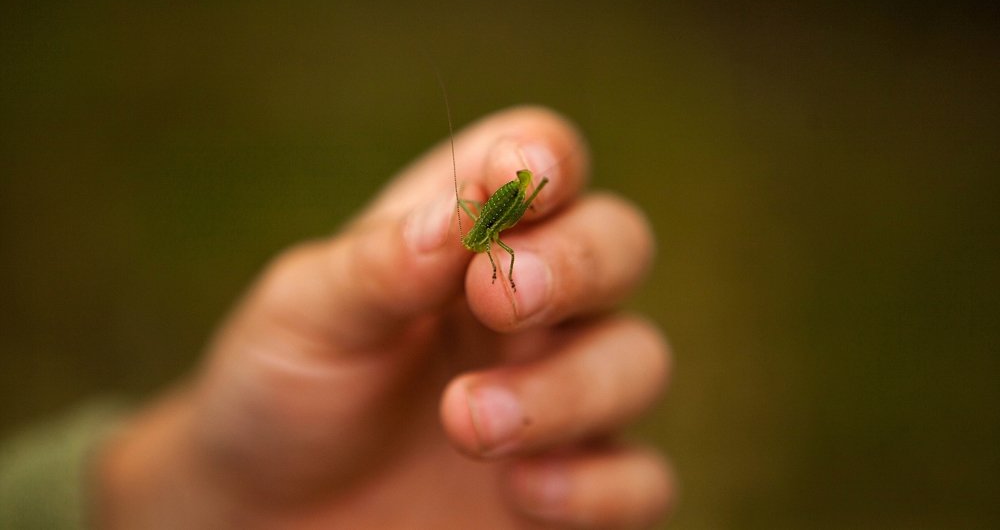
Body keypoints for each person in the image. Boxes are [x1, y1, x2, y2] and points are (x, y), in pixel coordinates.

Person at [1, 106, 675, 528]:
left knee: (516, 253)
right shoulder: (473, 232)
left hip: (512, 216)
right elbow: (481, 234)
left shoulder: (496, 224)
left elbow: (495, 239)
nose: (476, 242)